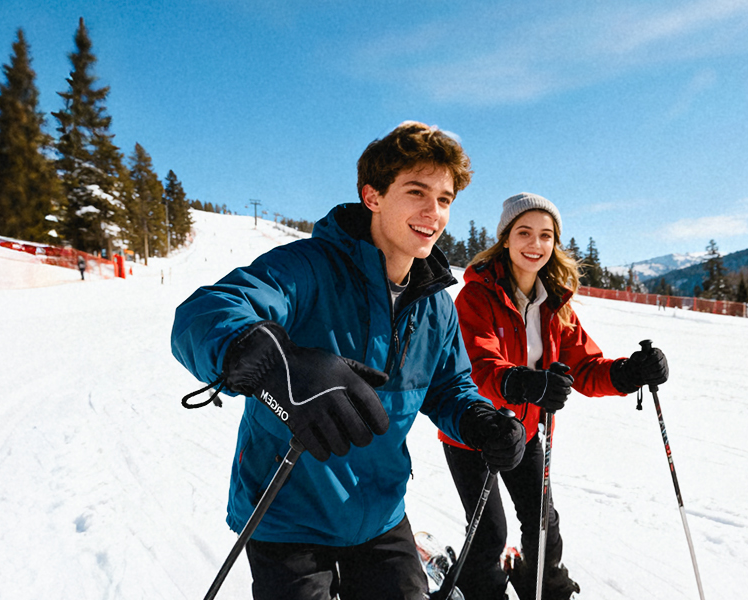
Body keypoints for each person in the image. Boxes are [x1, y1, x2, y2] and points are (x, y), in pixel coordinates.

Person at [170, 122, 527, 600]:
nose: (434, 212)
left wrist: (479, 420)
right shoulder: (309, 266)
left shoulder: (436, 304)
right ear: (372, 196)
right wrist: (278, 365)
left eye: (444, 199)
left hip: (379, 514)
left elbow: (449, 388)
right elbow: (204, 314)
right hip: (287, 514)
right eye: (417, 192)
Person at [441, 193, 670, 600]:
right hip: (475, 432)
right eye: (524, 233)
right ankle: (479, 590)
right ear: (506, 239)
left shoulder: (555, 303)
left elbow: (586, 367)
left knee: (543, 522)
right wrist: (523, 383)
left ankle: (543, 587)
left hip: (526, 431)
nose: (535, 244)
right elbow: (477, 364)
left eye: (545, 235)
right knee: (490, 532)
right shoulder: (476, 296)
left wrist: (629, 372)